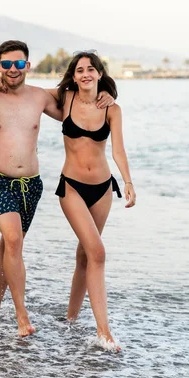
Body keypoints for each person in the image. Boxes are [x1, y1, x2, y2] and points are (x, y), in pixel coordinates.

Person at [0, 40, 114, 337]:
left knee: (8, 246)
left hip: (32, 185)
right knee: (13, 241)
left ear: (28, 66)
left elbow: (77, 102)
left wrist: (104, 94)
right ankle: (21, 315)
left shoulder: (40, 98)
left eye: (18, 64)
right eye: (6, 64)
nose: (12, 70)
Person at [55, 50, 136, 350]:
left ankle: (71, 319)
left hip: (102, 189)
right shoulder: (65, 100)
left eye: (91, 69)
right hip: (72, 188)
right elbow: (30, 98)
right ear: (73, 76)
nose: (85, 73)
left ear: (100, 74)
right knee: (97, 253)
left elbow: (118, 150)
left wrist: (127, 181)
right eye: (79, 70)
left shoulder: (112, 109)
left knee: (85, 256)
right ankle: (104, 332)